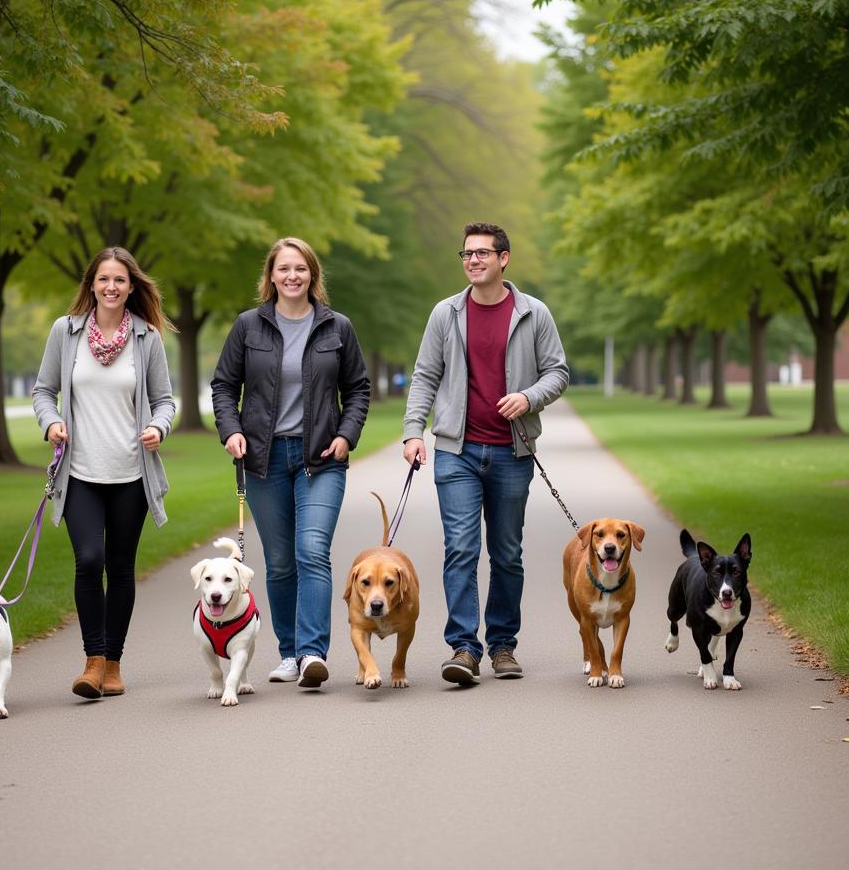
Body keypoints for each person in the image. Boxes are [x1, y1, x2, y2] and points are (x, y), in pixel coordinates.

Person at [403, 221, 569, 685]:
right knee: (460, 547)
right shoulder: (446, 313)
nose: (473, 260)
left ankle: (502, 646)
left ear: (503, 259)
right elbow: (424, 376)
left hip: (511, 452)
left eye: (482, 253)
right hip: (456, 450)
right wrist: (413, 432)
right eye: (467, 254)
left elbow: (558, 372)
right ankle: (463, 647)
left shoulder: (533, 314)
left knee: (507, 553)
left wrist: (529, 397)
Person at [211, 237, 370, 689]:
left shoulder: (337, 327)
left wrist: (346, 436)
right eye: (284, 269)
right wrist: (232, 430)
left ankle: (313, 654)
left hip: (320, 459)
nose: (292, 276)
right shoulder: (248, 327)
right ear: (272, 275)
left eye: (300, 268)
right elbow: (224, 385)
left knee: (312, 551)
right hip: (263, 459)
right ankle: (288, 652)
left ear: (313, 274)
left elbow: (358, 388)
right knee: (280, 561)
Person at [32, 246, 175, 700]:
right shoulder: (65, 331)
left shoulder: (147, 338)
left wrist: (157, 426)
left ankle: (113, 663)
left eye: (119, 280)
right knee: (89, 560)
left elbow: (167, 400)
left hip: (132, 474)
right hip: (81, 474)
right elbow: (43, 391)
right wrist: (51, 422)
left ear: (132, 287)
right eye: (103, 279)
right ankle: (92, 662)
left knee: (120, 566)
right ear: (91, 285)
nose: (111, 287)